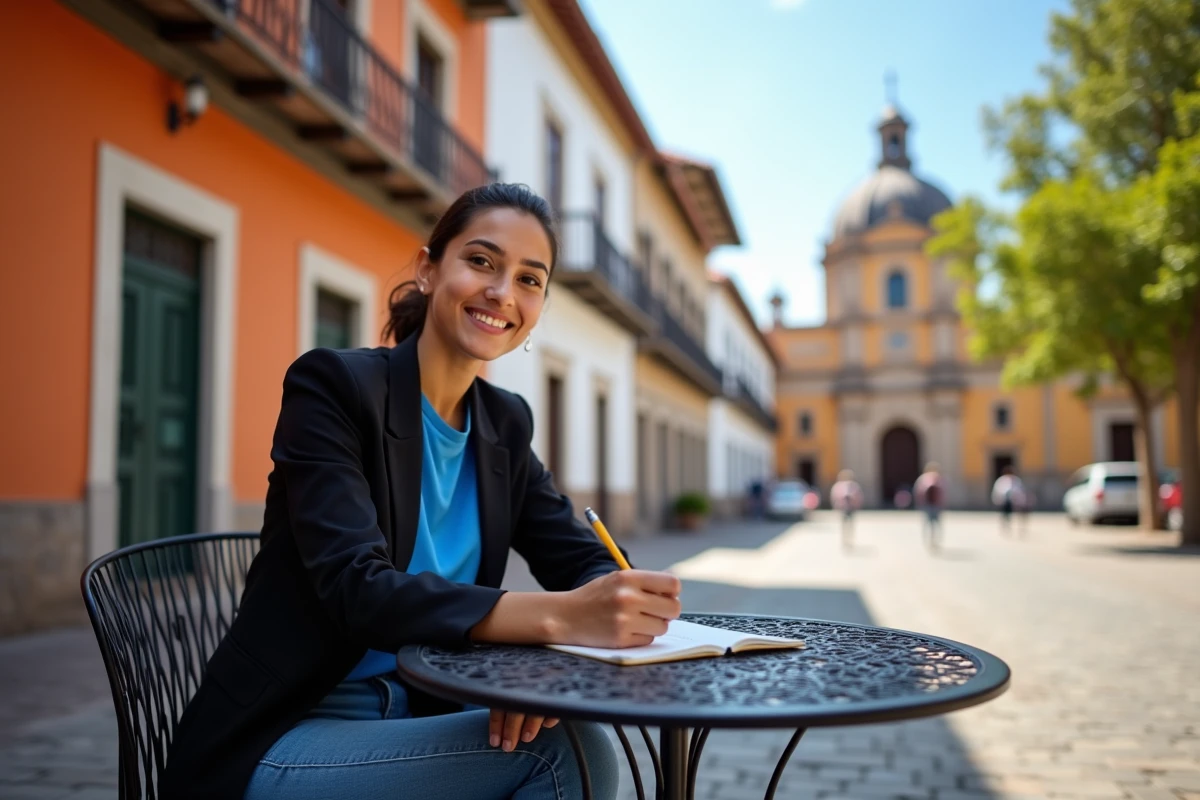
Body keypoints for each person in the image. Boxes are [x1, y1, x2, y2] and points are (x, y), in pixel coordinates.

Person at [161, 184, 682, 800]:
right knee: (566, 754)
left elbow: (582, 558)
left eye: (529, 279)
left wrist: (555, 653)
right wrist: (555, 619)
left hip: (424, 718)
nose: (501, 293)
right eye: (482, 261)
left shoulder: (505, 424)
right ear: (430, 269)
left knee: (570, 737)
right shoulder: (334, 388)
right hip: (291, 731)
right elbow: (360, 588)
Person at [913, 462, 947, 552]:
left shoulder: (923, 479)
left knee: (927, 523)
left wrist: (920, 504)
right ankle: (934, 541)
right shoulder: (939, 479)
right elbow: (943, 492)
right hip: (936, 505)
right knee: (936, 524)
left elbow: (918, 492)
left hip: (926, 505)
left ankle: (929, 541)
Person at [830, 469, 864, 550]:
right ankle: (845, 539)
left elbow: (859, 497)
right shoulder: (838, 486)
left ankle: (849, 539)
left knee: (850, 524)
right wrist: (836, 505)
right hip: (842, 508)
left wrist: (856, 503)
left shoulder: (854, 486)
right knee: (844, 524)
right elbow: (834, 497)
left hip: (851, 508)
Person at [991, 466, 1028, 537]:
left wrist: (1021, 499)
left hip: (1015, 501)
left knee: (1019, 515)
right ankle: (1006, 526)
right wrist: (996, 499)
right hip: (1005, 501)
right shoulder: (1001, 480)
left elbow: (1020, 491)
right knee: (1005, 514)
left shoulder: (1016, 480)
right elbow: (998, 490)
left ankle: (1019, 528)